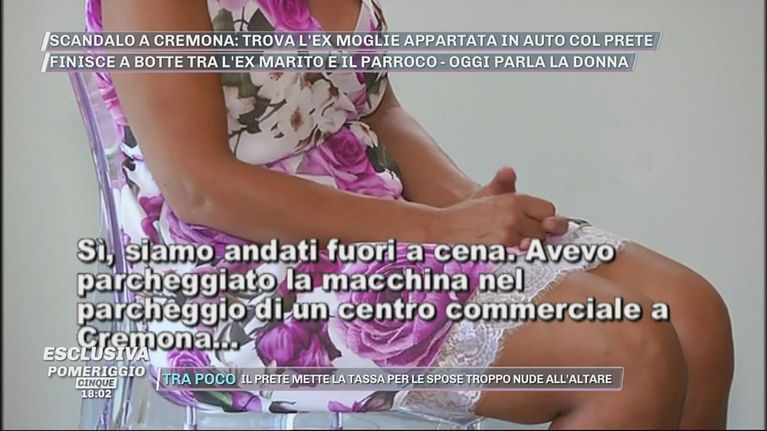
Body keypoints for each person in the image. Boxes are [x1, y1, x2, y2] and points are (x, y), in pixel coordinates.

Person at [89, 0, 733, 428]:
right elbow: (198, 186)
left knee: (694, 315)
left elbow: (375, 108)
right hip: (238, 274)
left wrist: (469, 204)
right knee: (627, 352)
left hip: (381, 222)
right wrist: (438, 229)